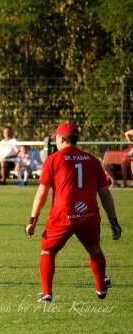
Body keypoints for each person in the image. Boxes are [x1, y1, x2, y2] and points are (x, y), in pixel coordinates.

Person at [25, 122, 121, 302]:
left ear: (61, 139)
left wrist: (32, 219)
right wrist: (113, 221)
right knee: (94, 250)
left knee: (47, 252)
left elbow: (42, 193)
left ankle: (47, 293)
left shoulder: (53, 159)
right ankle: (100, 287)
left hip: (62, 215)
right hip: (89, 215)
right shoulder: (92, 160)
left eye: (57, 139)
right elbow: (105, 194)